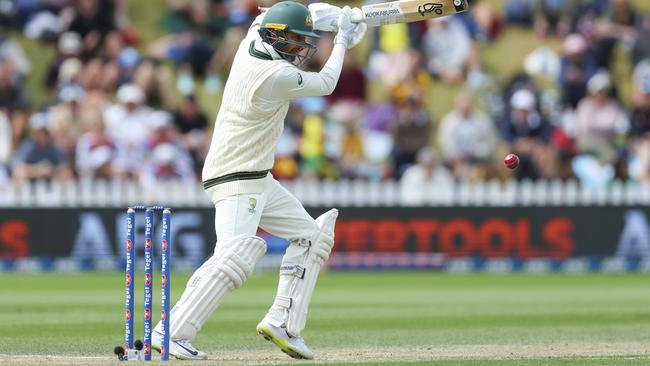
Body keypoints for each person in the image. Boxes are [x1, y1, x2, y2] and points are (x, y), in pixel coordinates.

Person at [150, 1, 367, 360]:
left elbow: (272, 12)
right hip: (236, 175)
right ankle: (170, 332)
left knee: (312, 237)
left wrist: (333, 15)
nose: (301, 49)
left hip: (257, 176)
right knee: (235, 255)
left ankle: (283, 322)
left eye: (304, 41)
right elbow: (327, 83)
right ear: (276, 37)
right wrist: (342, 38)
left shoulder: (255, 34)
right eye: (295, 42)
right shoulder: (272, 76)